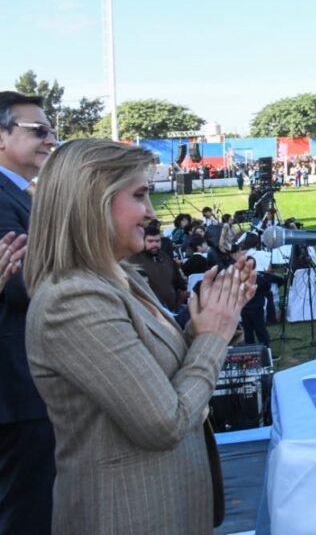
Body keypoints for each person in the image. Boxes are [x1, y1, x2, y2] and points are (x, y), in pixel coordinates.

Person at [22, 138, 256, 534]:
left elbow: (147, 368)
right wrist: (212, 339)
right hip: (128, 515)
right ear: (92, 201)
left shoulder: (119, 278)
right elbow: (164, 422)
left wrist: (205, 324)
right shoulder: (73, 299)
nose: (149, 212)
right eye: (139, 195)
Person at [0, 90, 58, 534]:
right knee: (26, 514)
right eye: (37, 130)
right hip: (16, 391)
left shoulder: (24, 197)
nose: (49, 138)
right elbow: (21, 283)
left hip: (29, 387)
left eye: (51, 129)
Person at [128, 223, 188, 311]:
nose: (155, 244)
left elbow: (178, 281)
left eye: (157, 241)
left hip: (174, 308)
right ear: (142, 240)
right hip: (152, 311)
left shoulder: (165, 257)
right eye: (150, 241)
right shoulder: (133, 261)